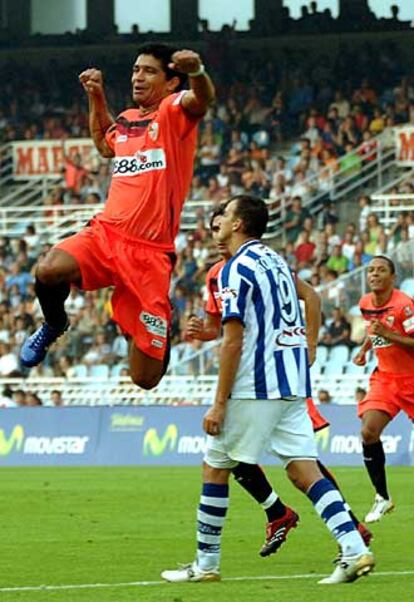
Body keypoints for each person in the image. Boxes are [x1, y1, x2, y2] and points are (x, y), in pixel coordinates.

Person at [161, 195, 374, 585]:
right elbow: (306, 299)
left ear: (239, 223)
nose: (219, 221)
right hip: (292, 382)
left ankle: (206, 565)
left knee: (215, 467)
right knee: (303, 470)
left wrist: (218, 404)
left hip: (255, 385)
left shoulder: (233, 270)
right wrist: (307, 346)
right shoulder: (275, 260)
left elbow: (232, 341)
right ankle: (355, 549)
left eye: (223, 215)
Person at [20, 43, 215, 390]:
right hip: (106, 235)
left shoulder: (173, 112)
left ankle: (157, 326)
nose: (138, 77)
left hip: (149, 253)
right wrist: (96, 95)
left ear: (172, 83)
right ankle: (54, 324)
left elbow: (201, 99)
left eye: (149, 71)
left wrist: (197, 71)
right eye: (136, 70)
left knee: (144, 379)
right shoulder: (127, 119)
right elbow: (104, 144)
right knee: (49, 269)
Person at [353, 255, 414, 523]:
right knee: (368, 432)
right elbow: (372, 330)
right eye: (370, 271)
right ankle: (382, 497)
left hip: (411, 378)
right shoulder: (365, 303)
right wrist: (364, 350)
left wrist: (389, 334)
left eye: (380, 270)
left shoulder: (404, 306)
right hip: (386, 379)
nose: (374, 275)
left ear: (393, 277)